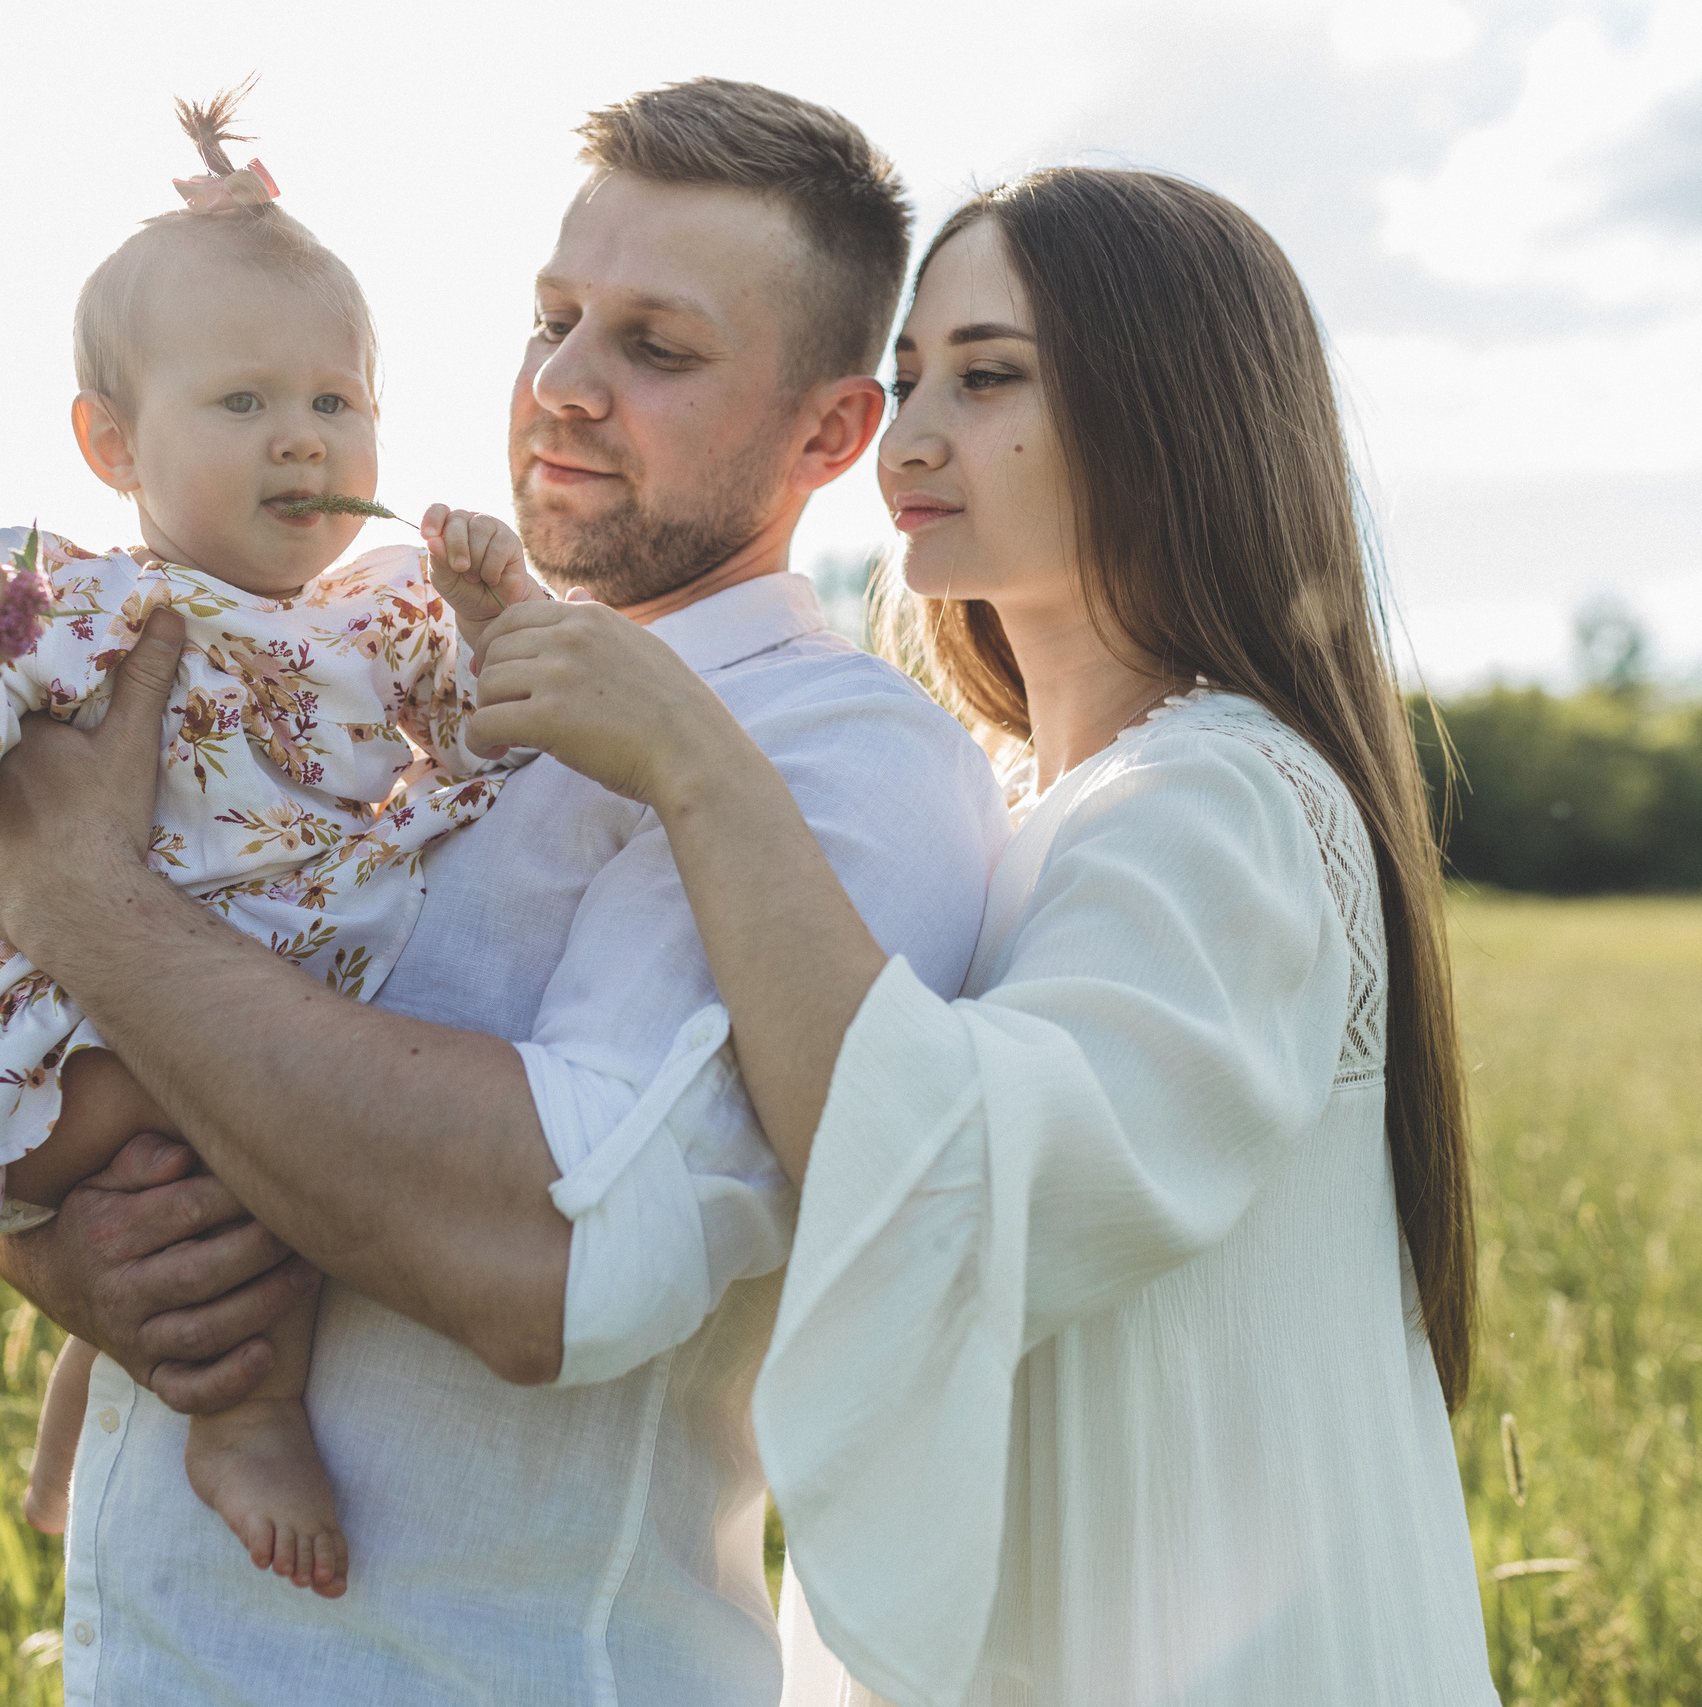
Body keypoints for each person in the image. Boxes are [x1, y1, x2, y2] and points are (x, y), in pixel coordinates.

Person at [0, 81, 1008, 1704]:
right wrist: (66, 1247)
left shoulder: (835, 755)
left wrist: (79, 899)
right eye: (552, 319)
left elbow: (554, 1258)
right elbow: (118, 1033)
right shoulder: (374, 651)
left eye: (655, 348)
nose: (563, 389)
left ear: (828, 434)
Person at [466, 169, 1500, 1704]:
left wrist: (694, 762)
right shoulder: (1023, 805)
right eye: (905, 379)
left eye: (991, 375)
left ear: (1170, 410)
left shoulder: (1223, 799)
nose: (916, 433)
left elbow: (948, 1174)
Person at [0, 89, 546, 1600]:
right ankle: (244, 1416)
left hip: (251, 987)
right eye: (244, 404)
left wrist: (493, 615)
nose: (302, 440)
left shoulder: (382, 605)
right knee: (222, 1128)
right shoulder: (76, 608)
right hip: (65, 1033)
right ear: (112, 443)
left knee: (272, 1119)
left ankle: (92, 1413)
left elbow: (487, 746)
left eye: (337, 401)